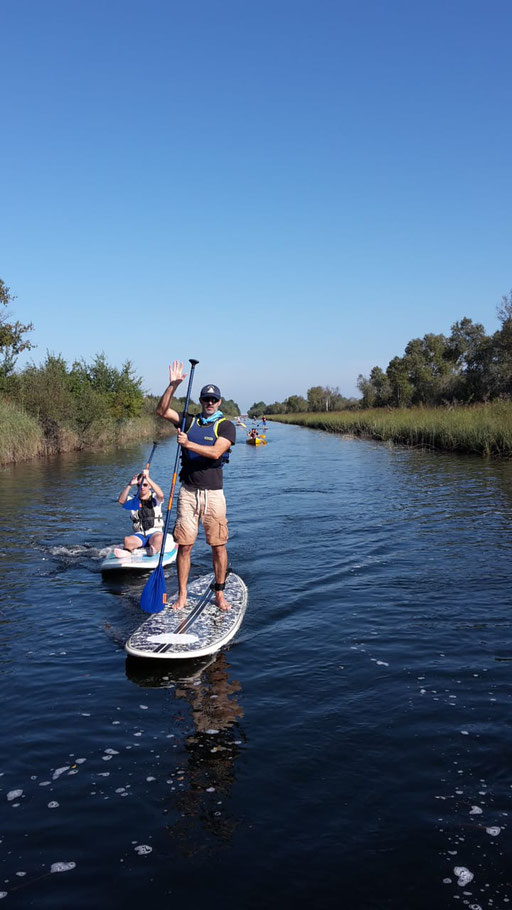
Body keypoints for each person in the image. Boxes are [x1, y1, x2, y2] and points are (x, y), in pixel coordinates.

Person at [156, 361, 236, 611]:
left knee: (218, 545)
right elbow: (162, 410)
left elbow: (215, 452)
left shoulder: (226, 426)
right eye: (205, 399)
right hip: (188, 493)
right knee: (185, 545)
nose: (209, 403)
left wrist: (188, 445)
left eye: (213, 399)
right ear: (201, 401)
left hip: (213, 495)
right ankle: (182, 595)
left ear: (219, 402)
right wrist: (173, 385)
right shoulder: (188, 422)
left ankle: (220, 593)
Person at [114, 468, 165, 558]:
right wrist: (129, 485)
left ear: (149, 486)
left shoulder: (155, 498)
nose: (142, 487)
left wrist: (148, 478)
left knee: (159, 538)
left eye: (145, 485)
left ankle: (153, 550)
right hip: (140, 534)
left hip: (155, 532)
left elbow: (161, 494)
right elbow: (121, 501)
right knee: (127, 540)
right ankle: (128, 551)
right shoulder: (132, 501)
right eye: (139, 485)